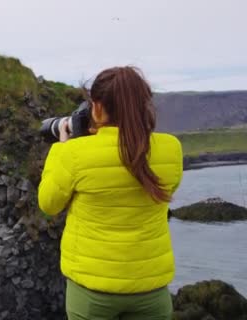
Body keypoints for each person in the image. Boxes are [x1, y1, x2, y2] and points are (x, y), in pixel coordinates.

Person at [38, 66, 183, 320]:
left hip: (92, 291)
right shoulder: (171, 149)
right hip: (151, 288)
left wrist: (61, 150)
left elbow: (49, 204)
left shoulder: (73, 154)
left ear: (96, 107)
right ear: (144, 105)